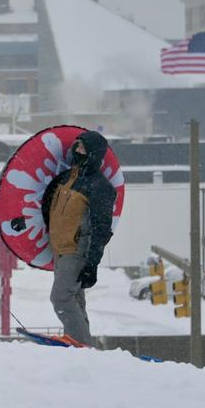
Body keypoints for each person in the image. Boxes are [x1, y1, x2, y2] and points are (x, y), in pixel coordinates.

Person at [41, 130, 117, 345]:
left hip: (76, 250)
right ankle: (81, 346)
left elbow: (102, 228)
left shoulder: (100, 187)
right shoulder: (67, 178)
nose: (76, 150)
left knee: (61, 298)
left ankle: (82, 346)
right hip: (60, 249)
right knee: (75, 299)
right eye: (76, 146)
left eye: (82, 147)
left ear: (93, 153)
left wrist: (92, 263)